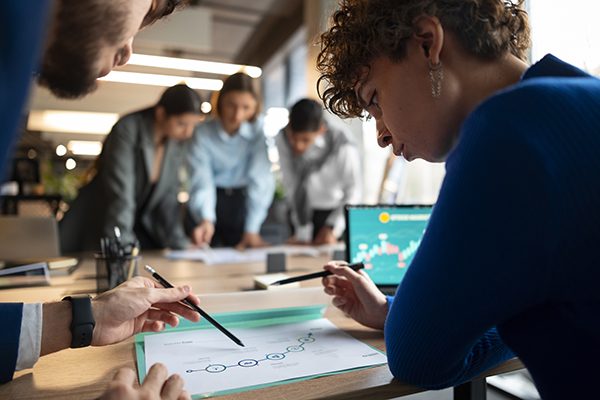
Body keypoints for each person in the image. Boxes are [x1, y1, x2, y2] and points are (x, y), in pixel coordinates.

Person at [316, 0, 600, 398]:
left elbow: (419, 357)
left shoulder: (508, 133)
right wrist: (391, 313)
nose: (381, 134)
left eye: (374, 99)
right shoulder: (579, 98)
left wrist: (406, 321)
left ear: (427, 43)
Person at [1, 1, 196, 398]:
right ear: (161, 113)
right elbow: (119, 199)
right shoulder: (129, 129)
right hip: (96, 230)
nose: (128, 52)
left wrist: (82, 317)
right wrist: (121, 255)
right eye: (150, 6)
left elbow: (163, 203)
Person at [60, 84, 203, 252]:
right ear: (161, 113)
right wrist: (123, 244)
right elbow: (121, 193)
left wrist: (181, 244)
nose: (188, 132)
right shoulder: (127, 129)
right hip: (101, 220)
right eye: (181, 123)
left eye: (193, 125)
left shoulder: (175, 144)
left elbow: (169, 199)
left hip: (137, 229)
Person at [187, 72, 275, 249]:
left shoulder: (257, 132)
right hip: (210, 200)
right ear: (220, 102)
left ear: (255, 107)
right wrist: (206, 219)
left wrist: (252, 229)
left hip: (243, 204)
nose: (237, 115)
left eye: (246, 107)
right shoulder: (202, 133)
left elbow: (260, 180)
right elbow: (202, 180)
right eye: (231, 105)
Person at [275, 98, 361, 244]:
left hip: (333, 214)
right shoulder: (283, 137)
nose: (298, 146)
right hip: (300, 212)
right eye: (293, 138)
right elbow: (291, 184)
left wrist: (332, 227)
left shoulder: (341, 143)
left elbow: (353, 190)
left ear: (321, 130)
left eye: (305, 140)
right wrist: (301, 231)